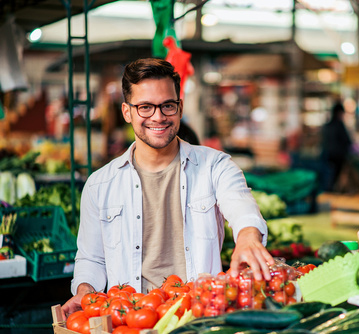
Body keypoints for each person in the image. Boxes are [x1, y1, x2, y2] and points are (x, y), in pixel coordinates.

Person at [62, 58, 274, 317]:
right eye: (145, 107)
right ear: (127, 112)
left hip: (200, 316)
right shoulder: (100, 185)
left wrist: (248, 237)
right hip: (134, 319)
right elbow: (92, 258)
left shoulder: (215, 166)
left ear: (180, 108)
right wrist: (85, 290)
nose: (158, 116)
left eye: (167, 106)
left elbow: (242, 207)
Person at [320, 100, 352, 192]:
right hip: (338, 157)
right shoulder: (339, 125)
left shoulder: (327, 126)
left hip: (326, 155)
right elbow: (348, 141)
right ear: (339, 113)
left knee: (328, 177)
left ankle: (328, 192)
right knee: (335, 178)